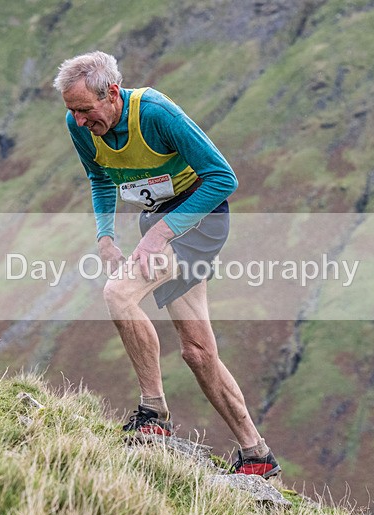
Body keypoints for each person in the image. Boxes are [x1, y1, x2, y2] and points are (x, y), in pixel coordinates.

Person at [53, 51, 280, 478]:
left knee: (118, 294)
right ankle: (257, 455)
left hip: (199, 221)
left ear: (113, 94)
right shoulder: (79, 126)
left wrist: (162, 232)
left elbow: (223, 178)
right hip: (158, 223)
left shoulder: (156, 112)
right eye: (72, 111)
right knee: (197, 352)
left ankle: (152, 413)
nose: (79, 121)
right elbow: (100, 177)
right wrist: (105, 235)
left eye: (85, 110)